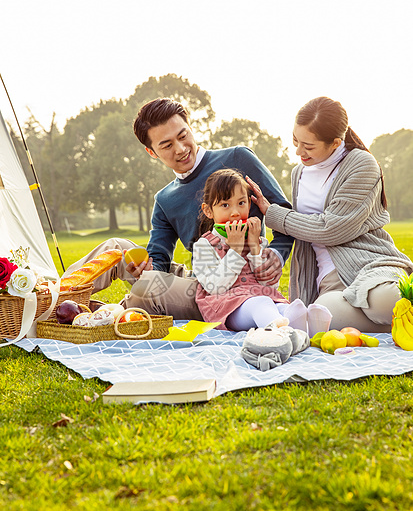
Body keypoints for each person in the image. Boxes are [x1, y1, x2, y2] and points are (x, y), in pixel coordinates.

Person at [62, 98, 294, 320]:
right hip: (200, 279)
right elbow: (159, 259)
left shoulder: (238, 158)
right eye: (167, 145)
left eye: (183, 136)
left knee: (147, 289)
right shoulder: (165, 199)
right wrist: (145, 266)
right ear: (152, 152)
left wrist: (277, 253)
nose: (181, 149)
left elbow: (281, 209)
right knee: (115, 248)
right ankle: (51, 299)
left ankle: (107, 314)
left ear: (190, 128)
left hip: (232, 286)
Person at [247, 96, 413, 333]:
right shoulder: (299, 174)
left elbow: (331, 228)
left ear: (335, 143)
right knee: (321, 315)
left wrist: (274, 215)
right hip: (329, 280)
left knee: (385, 300)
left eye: (309, 146)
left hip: (369, 266)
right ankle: (398, 323)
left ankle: (393, 315)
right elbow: (305, 231)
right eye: (296, 140)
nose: (298, 151)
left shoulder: (361, 164)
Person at [193, 168, 332, 335]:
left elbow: (269, 285)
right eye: (225, 205)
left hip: (262, 299)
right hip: (226, 307)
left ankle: (309, 332)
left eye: (241, 203)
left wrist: (254, 248)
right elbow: (214, 287)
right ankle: (281, 334)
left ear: (249, 204)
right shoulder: (204, 245)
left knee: (284, 307)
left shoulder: (256, 241)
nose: (235, 212)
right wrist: (235, 251)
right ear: (208, 211)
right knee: (261, 303)